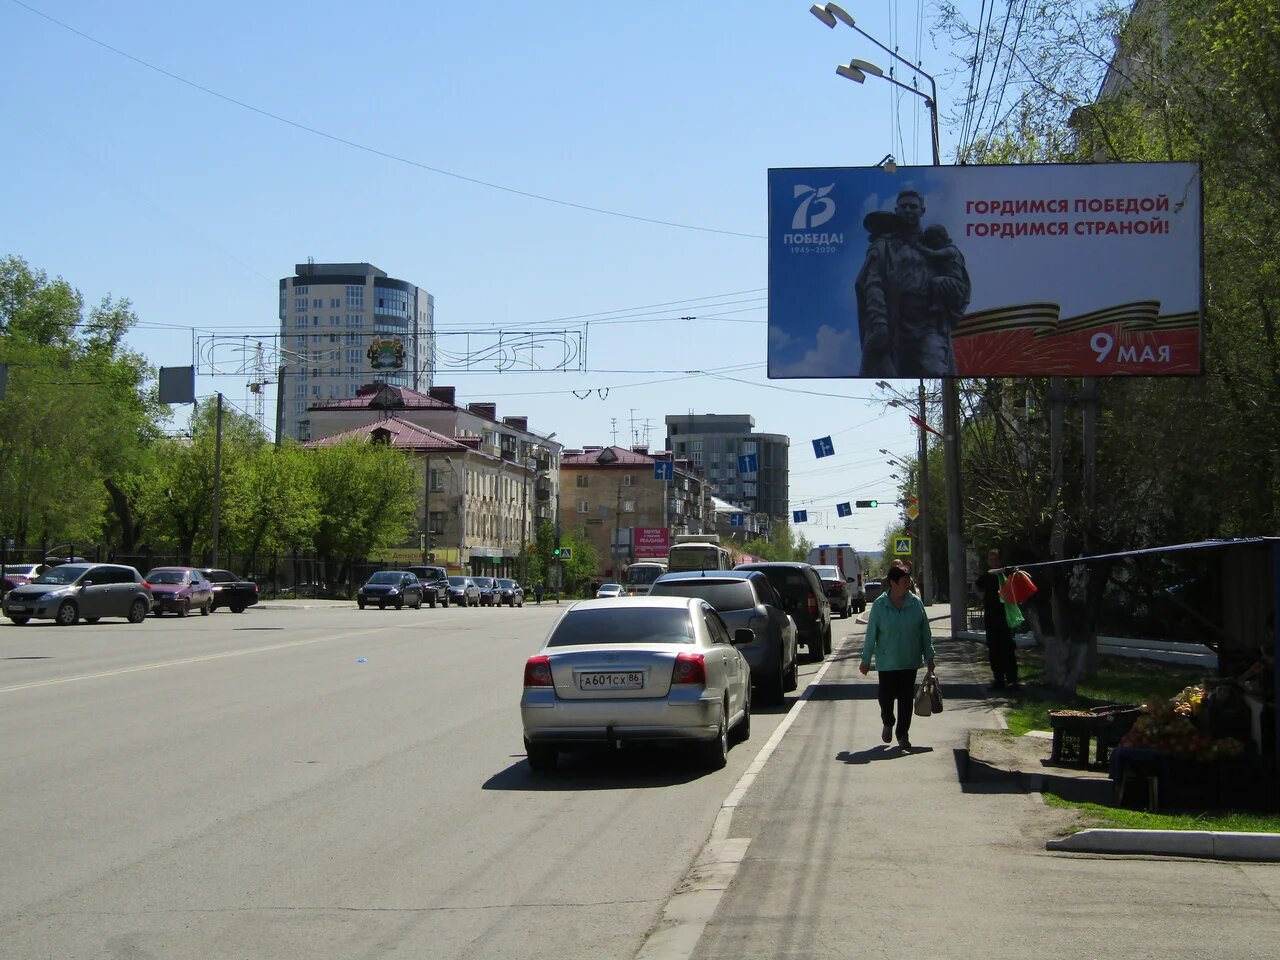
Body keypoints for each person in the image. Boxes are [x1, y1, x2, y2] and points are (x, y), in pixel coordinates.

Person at [854, 189, 969, 377]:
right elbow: (872, 284)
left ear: (922, 211)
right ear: (896, 210)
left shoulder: (935, 243)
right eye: (903, 206)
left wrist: (948, 284)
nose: (908, 210)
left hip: (929, 322)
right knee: (888, 372)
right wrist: (879, 322)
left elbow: (960, 285)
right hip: (895, 323)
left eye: (913, 206)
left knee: (934, 369)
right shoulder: (883, 246)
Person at [859, 565, 936, 750]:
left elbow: (925, 632)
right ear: (893, 583)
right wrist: (866, 659)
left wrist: (930, 656)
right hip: (887, 661)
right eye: (904, 581)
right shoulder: (880, 605)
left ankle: (902, 734)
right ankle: (888, 721)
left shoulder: (915, 603)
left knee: (905, 699)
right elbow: (871, 634)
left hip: (909, 659)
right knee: (885, 697)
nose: (907, 585)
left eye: (909, 581)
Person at [975, 548, 1019, 691]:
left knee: (1008, 648)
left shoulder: (1006, 573)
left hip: (1005, 616)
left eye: (995, 559)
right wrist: (982, 598)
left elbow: (1016, 585)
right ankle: (998, 680)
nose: (993, 562)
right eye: (991, 559)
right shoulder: (987, 575)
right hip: (991, 616)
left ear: (1000, 560)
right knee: (994, 649)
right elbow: (976, 586)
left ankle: (1012, 680)